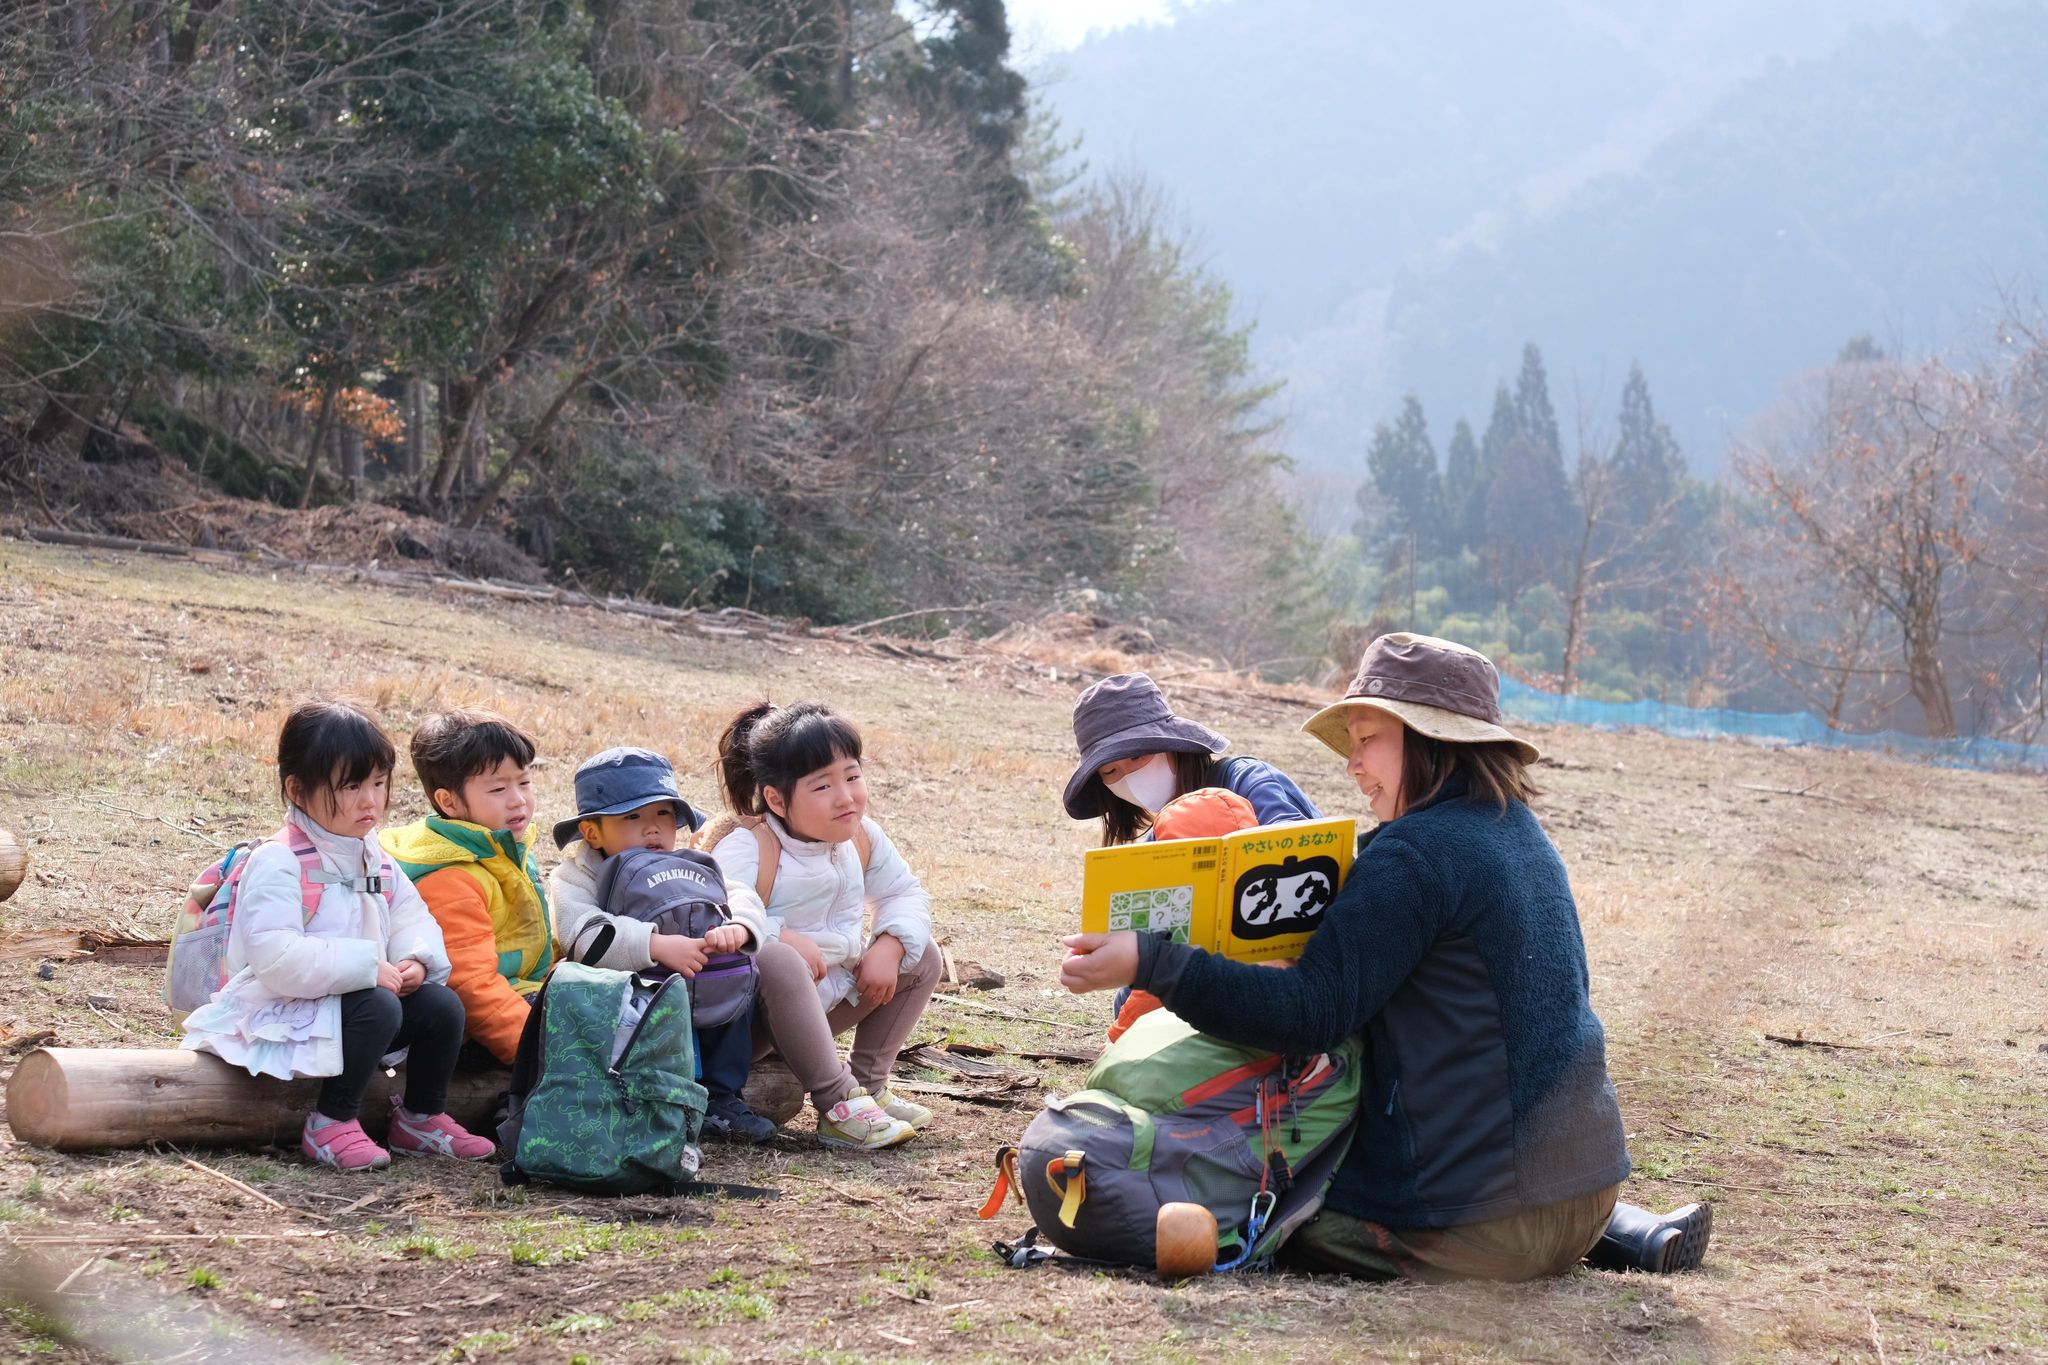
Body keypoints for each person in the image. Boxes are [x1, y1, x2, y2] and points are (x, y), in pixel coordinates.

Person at [1059, 633, 1712, 1280]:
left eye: (1367, 738)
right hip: (1586, 1193)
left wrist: (1152, 963)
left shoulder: (1416, 857)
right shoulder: (1515, 829)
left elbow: (1307, 1013)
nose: (1352, 762)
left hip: (1491, 1223)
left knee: (1252, 1192)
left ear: (1428, 740)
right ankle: (1631, 1232)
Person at [182, 700, 495, 1170]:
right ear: (297, 789)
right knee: (378, 1004)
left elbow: (409, 914)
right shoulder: (280, 860)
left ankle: (420, 1118)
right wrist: (366, 967)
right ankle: (330, 1123)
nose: (370, 800)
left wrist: (415, 959)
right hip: (285, 1005)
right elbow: (275, 955)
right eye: (351, 786)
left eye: (378, 783)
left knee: (441, 1006)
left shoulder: (374, 857)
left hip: (352, 1001)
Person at [704, 701, 941, 1151]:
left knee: (920, 952)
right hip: (754, 1021)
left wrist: (889, 946)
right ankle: (837, 1105)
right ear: (776, 799)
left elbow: (903, 893)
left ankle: (868, 1086)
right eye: (823, 785)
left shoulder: (862, 835)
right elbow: (716, 913)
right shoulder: (749, 846)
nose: (846, 796)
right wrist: (781, 936)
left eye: (852, 776)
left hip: (823, 1004)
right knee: (775, 957)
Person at [550, 745, 778, 1143]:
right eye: (632, 817)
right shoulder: (579, 875)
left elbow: (739, 893)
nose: (652, 828)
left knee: (735, 970)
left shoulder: (687, 863)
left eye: (663, 814)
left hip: (699, 984)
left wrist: (739, 927)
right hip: (625, 997)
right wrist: (654, 946)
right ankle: (656, 1097)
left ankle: (723, 1097)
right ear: (592, 831)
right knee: (642, 1001)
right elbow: (580, 933)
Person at [380, 709, 551, 1065]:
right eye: (499, 788)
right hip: (478, 1028)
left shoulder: (500, 849)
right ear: (449, 802)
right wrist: (538, 1056)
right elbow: (471, 987)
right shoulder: (451, 876)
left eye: (524, 782)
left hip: (517, 996)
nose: (518, 799)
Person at [1064, 673, 1321, 846]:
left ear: (1171, 745)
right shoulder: (1159, 838)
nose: (1128, 776)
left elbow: (1297, 844)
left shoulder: (1248, 779)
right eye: (1110, 771)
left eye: (1136, 756)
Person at [1103, 786, 1266, 1044]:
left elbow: (1152, 991)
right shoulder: (1266, 894)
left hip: (1203, 1037)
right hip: (1264, 1026)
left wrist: (1116, 1039)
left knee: (1130, 991)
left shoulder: (1184, 908)